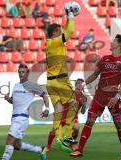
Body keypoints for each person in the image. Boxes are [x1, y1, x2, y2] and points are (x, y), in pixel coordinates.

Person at [70, 34, 121, 160]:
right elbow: (95, 74)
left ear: (119, 45)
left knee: (118, 124)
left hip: (113, 98)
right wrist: (83, 84)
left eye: (114, 41)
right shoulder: (104, 59)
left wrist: (117, 97)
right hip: (99, 97)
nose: (111, 42)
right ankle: (80, 150)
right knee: (89, 121)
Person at [44, 2, 79, 153]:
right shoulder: (53, 42)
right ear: (53, 33)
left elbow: (66, 29)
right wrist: (71, 14)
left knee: (58, 109)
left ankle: (59, 136)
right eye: (58, 31)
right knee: (73, 104)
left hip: (51, 82)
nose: (61, 32)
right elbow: (70, 30)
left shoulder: (51, 43)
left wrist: (67, 16)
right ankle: (68, 136)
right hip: (60, 80)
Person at [1, 63, 49, 160]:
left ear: (27, 73)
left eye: (23, 72)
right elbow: (13, 101)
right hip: (14, 117)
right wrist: (8, 99)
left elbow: (45, 96)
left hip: (22, 117)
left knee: (9, 139)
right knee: (16, 144)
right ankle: (40, 149)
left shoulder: (31, 85)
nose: (21, 74)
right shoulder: (16, 86)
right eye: (19, 72)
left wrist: (47, 109)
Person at [46, 78, 87, 151]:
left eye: (82, 84)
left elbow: (83, 112)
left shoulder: (84, 98)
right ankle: (48, 146)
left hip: (73, 117)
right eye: (78, 83)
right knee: (53, 131)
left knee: (77, 128)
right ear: (75, 85)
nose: (80, 85)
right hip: (62, 116)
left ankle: (72, 144)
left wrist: (83, 105)